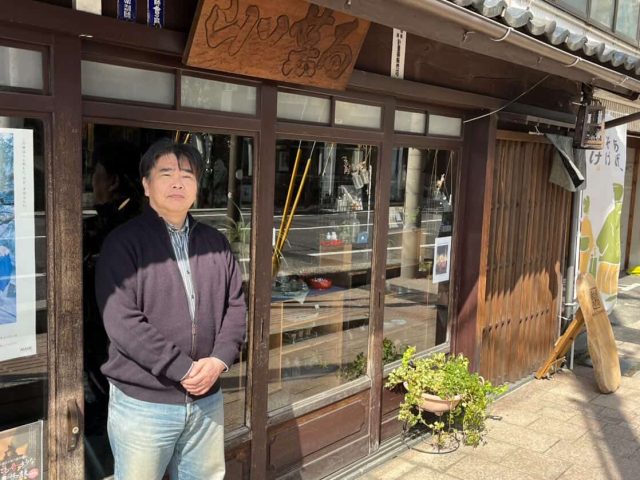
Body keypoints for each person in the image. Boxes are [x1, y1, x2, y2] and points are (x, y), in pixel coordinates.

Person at [95, 138, 247, 480]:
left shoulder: (216, 243)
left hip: (206, 398)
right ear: (146, 185)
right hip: (144, 403)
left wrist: (219, 360)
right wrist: (182, 368)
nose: (178, 182)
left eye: (187, 175)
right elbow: (121, 321)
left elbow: (236, 305)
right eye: (166, 174)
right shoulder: (123, 243)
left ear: (197, 187)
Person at [83, 141, 143, 419]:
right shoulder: (120, 219)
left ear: (113, 181)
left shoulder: (118, 227)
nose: (90, 182)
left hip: (108, 329)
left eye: (95, 174)